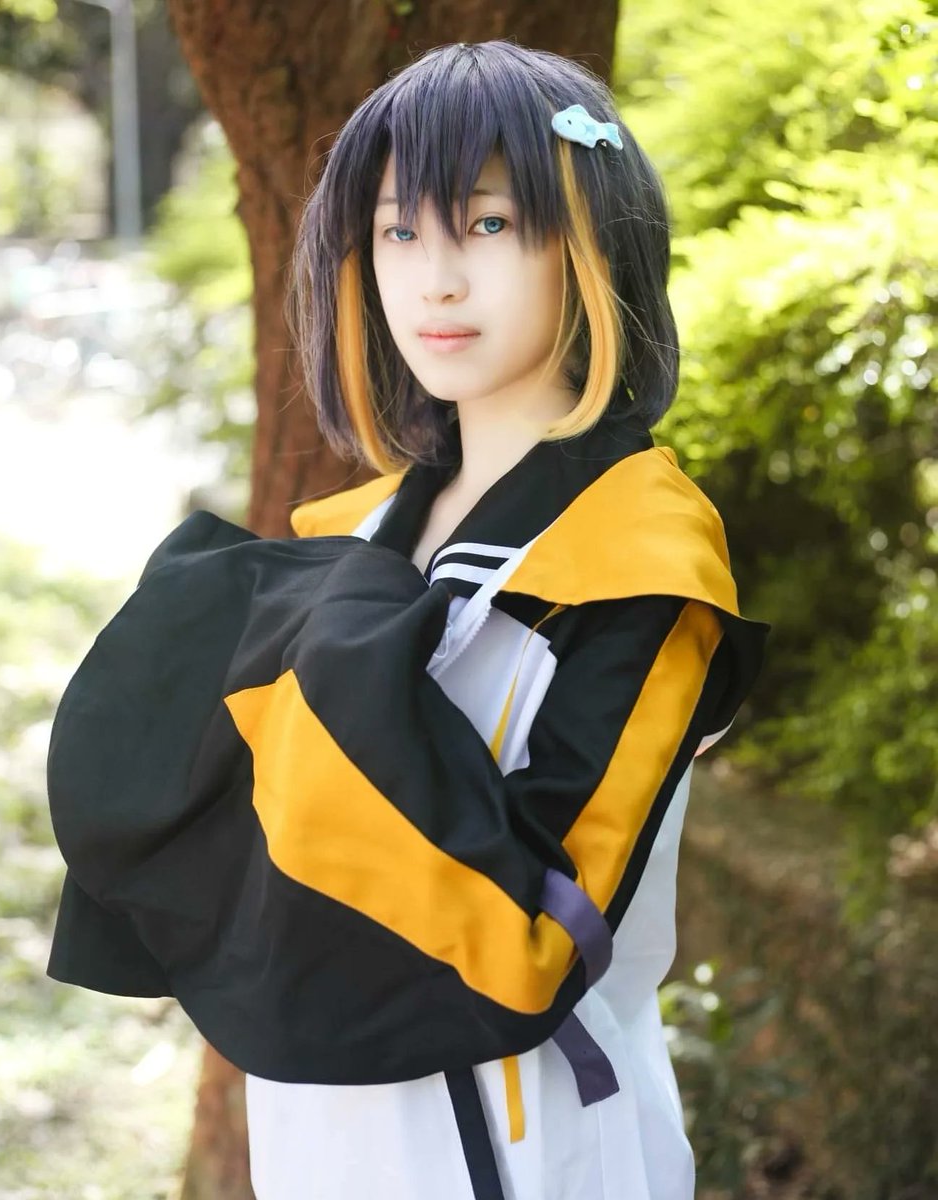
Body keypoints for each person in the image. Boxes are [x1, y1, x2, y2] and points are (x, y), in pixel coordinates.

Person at [46, 39, 770, 1200]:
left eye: (487, 224)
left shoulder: (644, 559)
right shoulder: (361, 531)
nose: (434, 279)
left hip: (529, 1156)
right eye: (397, 231)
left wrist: (325, 692)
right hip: (320, 1136)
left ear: (591, 242)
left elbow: (533, 945)